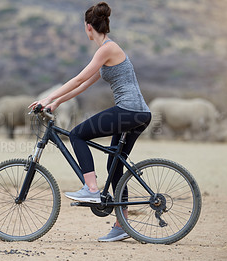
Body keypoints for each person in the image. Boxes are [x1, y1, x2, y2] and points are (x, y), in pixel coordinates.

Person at [29, 2, 151, 242]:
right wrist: (58, 103)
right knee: (115, 165)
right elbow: (85, 84)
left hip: (129, 111)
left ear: (88, 28)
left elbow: (78, 78)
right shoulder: (108, 51)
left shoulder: (107, 49)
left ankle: (92, 190)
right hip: (139, 114)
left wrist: (47, 97)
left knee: (76, 135)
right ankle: (122, 224)